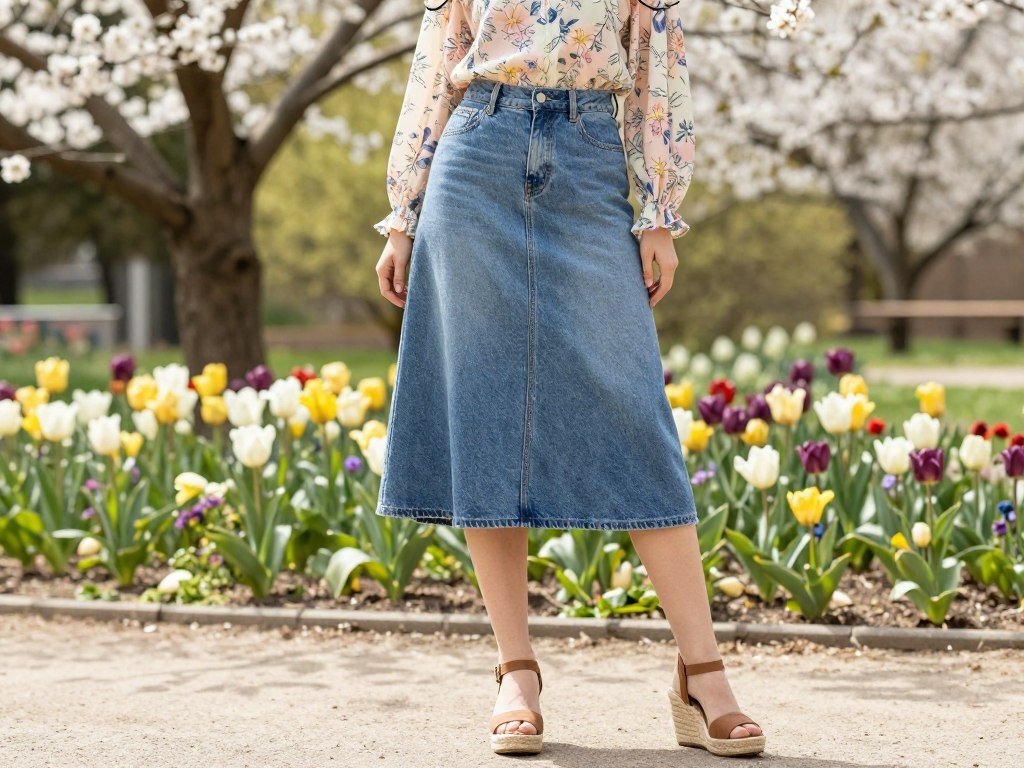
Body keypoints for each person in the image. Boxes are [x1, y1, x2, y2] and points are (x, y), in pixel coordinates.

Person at [371, 0, 764, 757]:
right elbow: (437, 57)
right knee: (483, 405)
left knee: (632, 412)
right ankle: (516, 669)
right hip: (475, 148)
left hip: (590, 158)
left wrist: (657, 212)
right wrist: (403, 215)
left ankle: (702, 671)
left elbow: (657, 65)